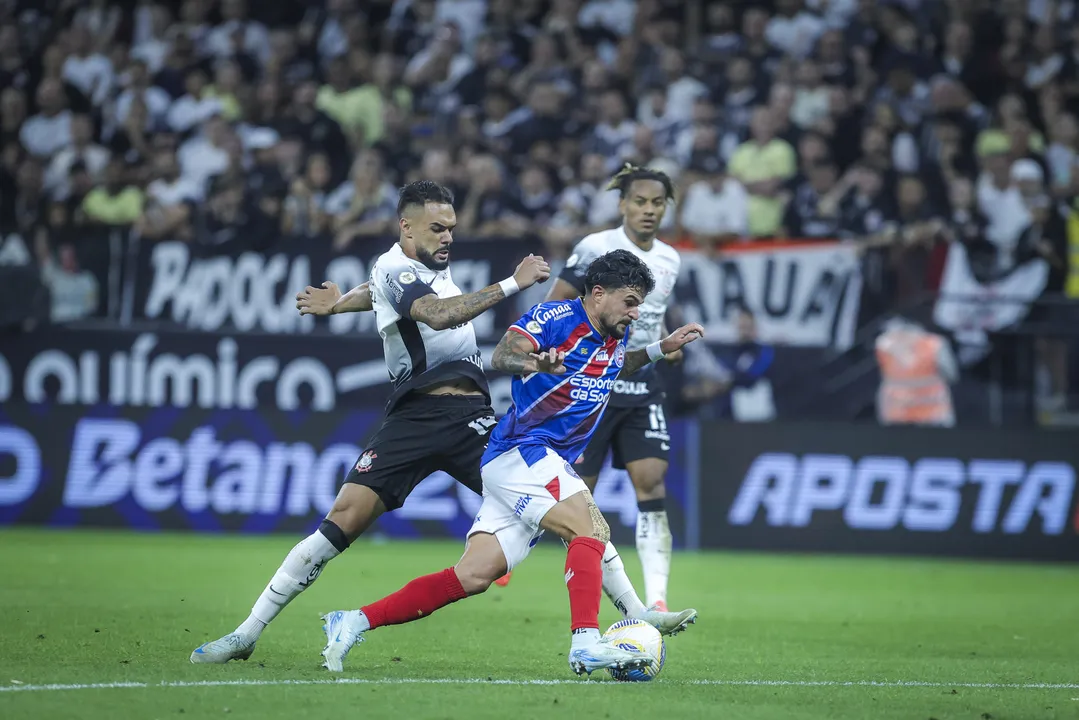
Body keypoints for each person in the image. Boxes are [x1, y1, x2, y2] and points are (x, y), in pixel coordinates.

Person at [190, 180, 552, 663]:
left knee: (554, 504)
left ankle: (623, 616)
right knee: (341, 521)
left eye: (452, 229)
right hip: (416, 417)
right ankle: (245, 634)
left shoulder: (419, 268)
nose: (448, 237)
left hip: (470, 417)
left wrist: (341, 303)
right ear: (406, 226)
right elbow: (437, 315)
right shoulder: (394, 266)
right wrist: (513, 282)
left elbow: (383, 291)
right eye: (437, 228)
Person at [317, 250, 705, 675]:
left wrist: (658, 349)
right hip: (523, 450)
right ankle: (589, 640)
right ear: (598, 293)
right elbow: (504, 353)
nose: (636, 312)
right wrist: (535, 362)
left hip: (532, 461)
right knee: (590, 527)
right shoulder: (556, 317)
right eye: (630, 301)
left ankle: (353, 620)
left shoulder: (615, 335)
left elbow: (615, 367)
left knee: (472, 575)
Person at [508, 163, 682, 612]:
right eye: (639, 201)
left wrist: (667, 343)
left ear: (667, 208)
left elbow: (653, 311)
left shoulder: (671, 259)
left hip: (638, 377)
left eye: (657, 202)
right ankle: (510, 543)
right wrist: (549, 360)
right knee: (574, 494)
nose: (648, 210)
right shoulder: (596, 247)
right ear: (622, 203)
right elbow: (557, 306)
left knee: (651, 478)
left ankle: (658, 598)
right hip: (587, 385)